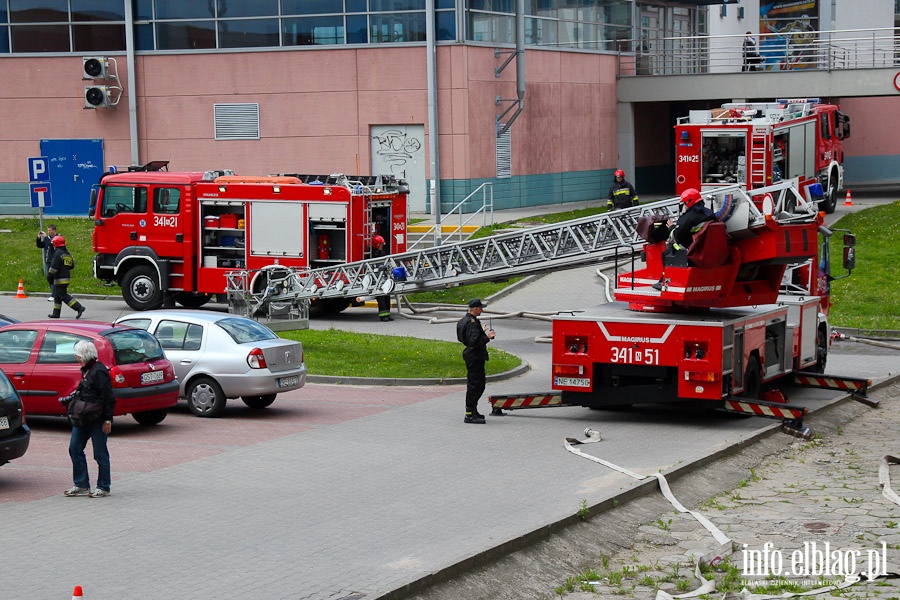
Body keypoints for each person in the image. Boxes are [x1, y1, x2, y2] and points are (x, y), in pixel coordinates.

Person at [60, 340, 116, 498]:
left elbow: (108, 397)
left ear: (85, 356)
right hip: (83, 418)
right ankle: (81, 484)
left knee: (100, 453)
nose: (76, 358)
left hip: (97, 419)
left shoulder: (99, 371)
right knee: (74, 448)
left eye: (78, 356)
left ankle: (103, 486)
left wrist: (107, 420)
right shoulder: (86, 370)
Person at [652, 188, 715, 291]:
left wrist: (671, 227)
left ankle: (663, 282)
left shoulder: (688, 218)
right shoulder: (709, 213)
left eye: (684, 203)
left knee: (666, 253)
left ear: (689, 202)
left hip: (691, 252)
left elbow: (676, 237)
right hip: (706, 250)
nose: (684, 206)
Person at [456, 298, 500, 423]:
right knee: (476, 386)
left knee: (476, 385)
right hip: (475, 356)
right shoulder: (472, 323)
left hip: (472, 355)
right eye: (480, 307)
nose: (482, 309)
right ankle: (469, 414)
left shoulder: (465, 320)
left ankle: (473, 411)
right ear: (474, 308)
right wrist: (487, 337)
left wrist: (482, 331)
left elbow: (464, 337)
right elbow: (474, 342)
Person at [47, 235, 86, 319]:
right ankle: (56, 313)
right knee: (57, 296)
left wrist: (50, 275)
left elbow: (54, 266)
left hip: (59, 279)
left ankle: (79, 307)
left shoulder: (57, 253)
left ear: (56, 244)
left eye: (54, 244)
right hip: (66, 278)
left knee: (63, 296)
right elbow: (72, 266)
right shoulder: (67, 254)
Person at [371, 235, 393, 322]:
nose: (382, 246)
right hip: (376, 279)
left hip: (383, 277)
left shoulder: (382, 253)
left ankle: (387, 314)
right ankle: (383, 316)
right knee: (381, 296)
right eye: (381, 245)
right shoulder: (372, 254)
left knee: (387, 295)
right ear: (376, 244)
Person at [36, 223, 58, 300]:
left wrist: (45, 237)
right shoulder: (47, 238)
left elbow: (51, 244)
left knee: (53, 277)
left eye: (50, 230)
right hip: (47, 260)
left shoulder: (57, 237)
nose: (48, 232)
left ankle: (54, 294)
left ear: (54, 230)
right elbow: (40, 245)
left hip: (54, 261)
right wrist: (38, 238)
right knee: (49, 278)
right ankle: (53, 293)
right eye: (48, 230)